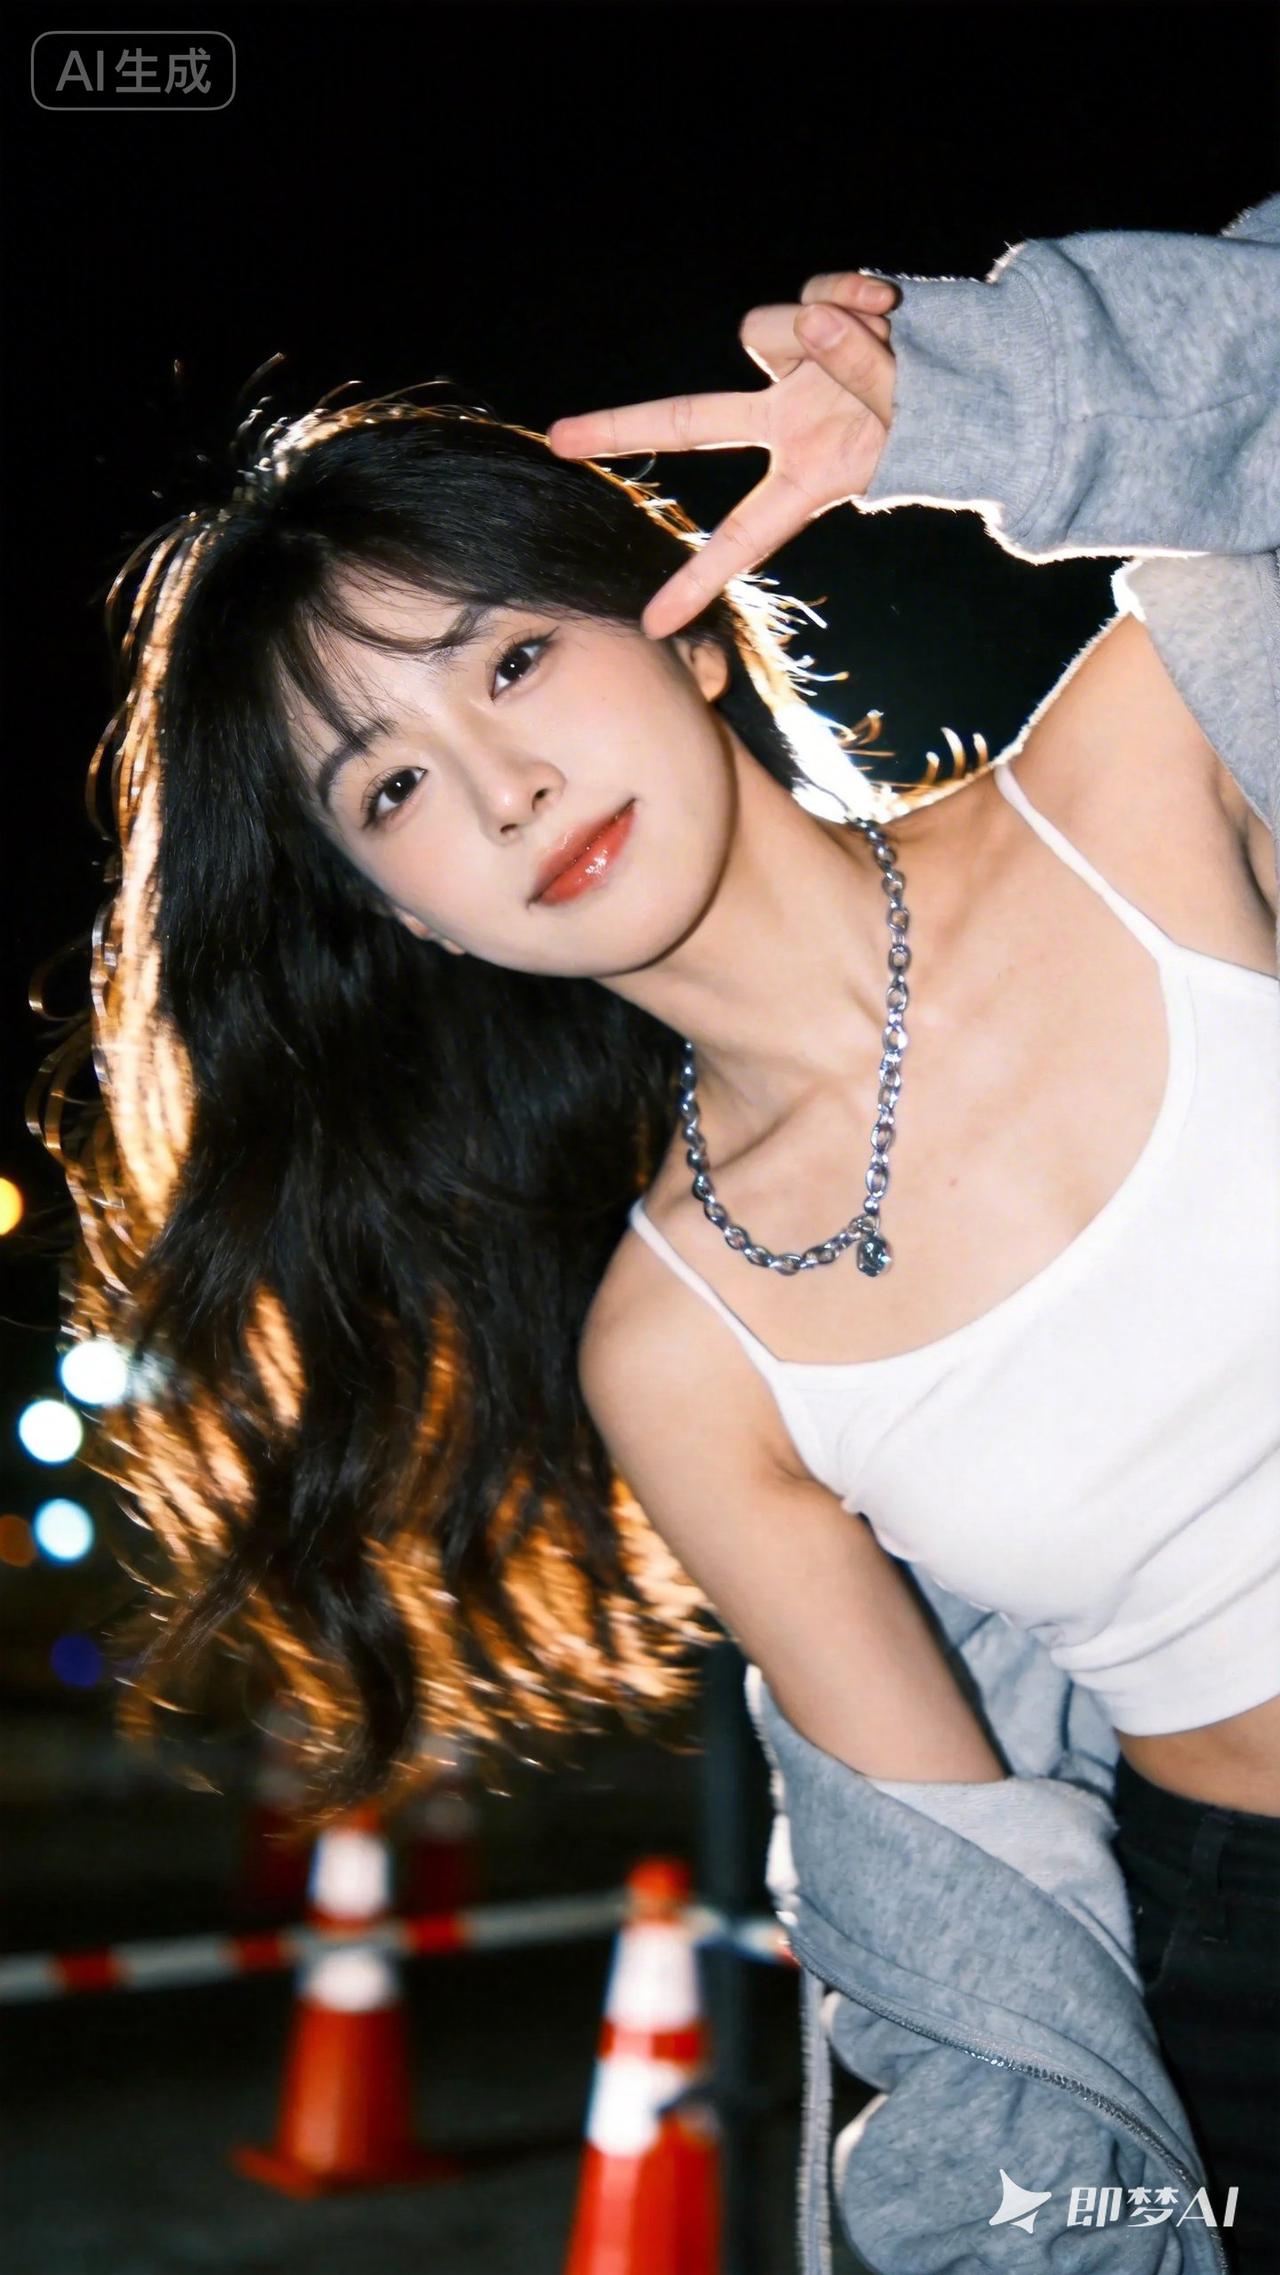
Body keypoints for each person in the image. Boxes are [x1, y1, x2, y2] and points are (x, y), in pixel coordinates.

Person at [31, 196, 1276, 2269]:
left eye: (514, 658)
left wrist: (985, 390)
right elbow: (956, 1931)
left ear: (685, 620)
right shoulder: (679, 1350)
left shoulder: (1143, 773)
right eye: (393, 790)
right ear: (409, 917)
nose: (503, 784)